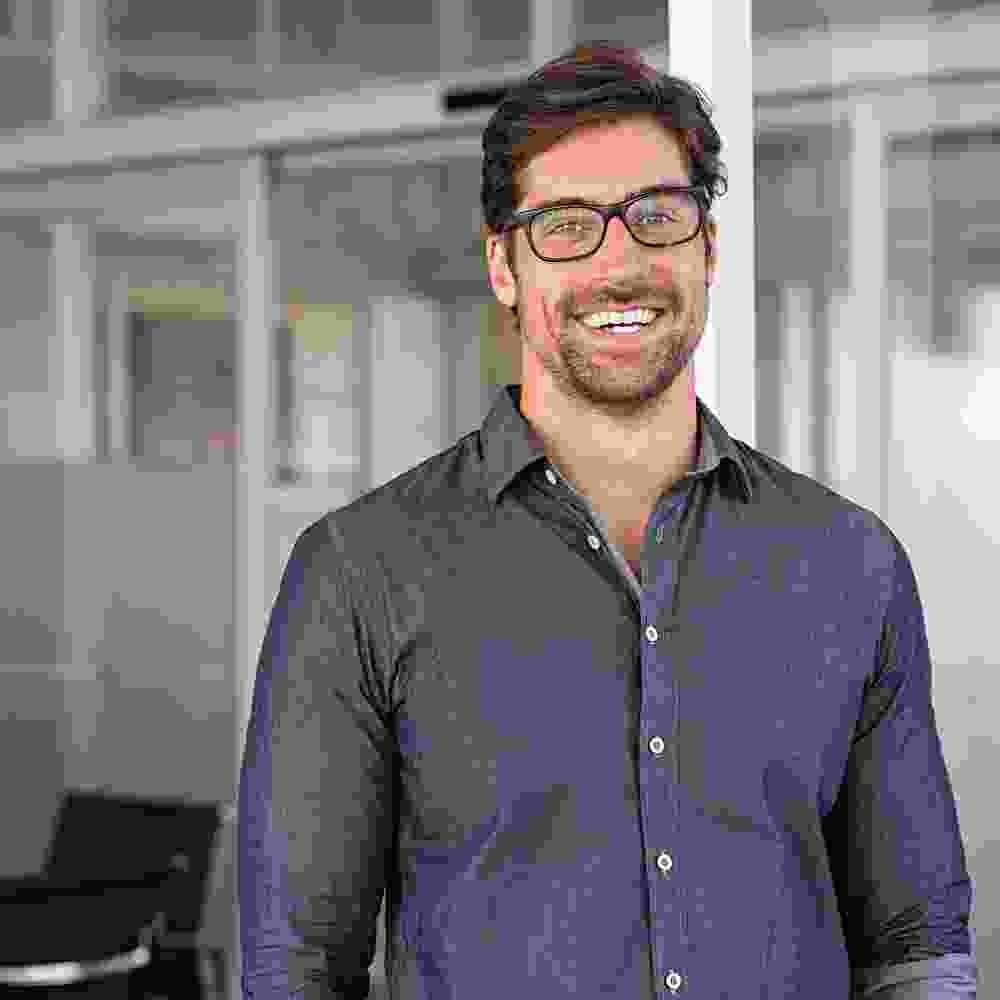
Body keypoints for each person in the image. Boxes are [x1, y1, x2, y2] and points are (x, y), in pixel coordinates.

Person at [238, 41, 979, 999]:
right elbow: (298, 966)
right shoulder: (359, 572)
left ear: (709, 250)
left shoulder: (851, 563)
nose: (619, 263)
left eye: (657, 216)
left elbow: (915, 945)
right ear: (504, 266)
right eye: (566, 227)